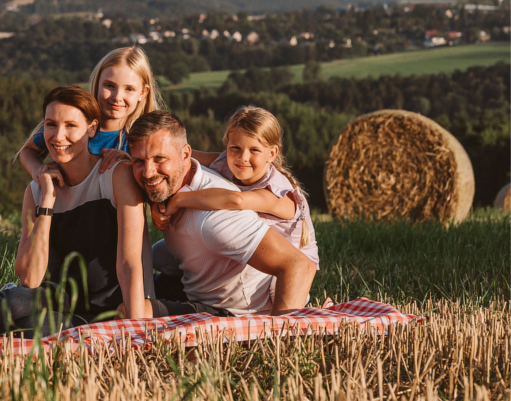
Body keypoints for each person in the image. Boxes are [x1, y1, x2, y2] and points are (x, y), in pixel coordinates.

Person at [0, 86, 154, 337]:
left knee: (32, 330)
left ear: (92, 128)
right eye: (51, 124)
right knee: (5, 307)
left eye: (71, 125)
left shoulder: (115, 177)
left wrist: (136, 330)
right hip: (54, 299)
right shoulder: (36, 192)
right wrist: (47, 200)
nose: (58, 136)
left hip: (105, 309)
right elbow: (30, 278)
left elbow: (129, 263)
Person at [128, 111, 316, 317]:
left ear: (272, 153)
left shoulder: (241, 208)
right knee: (123, 291)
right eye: (139, 161)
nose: (147, 172)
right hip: (201, 281)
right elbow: (183, 153)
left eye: (159, 159)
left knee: (133, 310)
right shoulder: (221, 164)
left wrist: (280, 337)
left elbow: (298, 265)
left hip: (237, 309)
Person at [154, 105, 319, 269]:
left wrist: (176, 201)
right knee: (158, 254)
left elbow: (237, 200)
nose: (243, 157)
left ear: (272, 153)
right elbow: (181, 155)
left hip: (285, 269)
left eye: (254, 150)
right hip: (250, 252)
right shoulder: (224, 162)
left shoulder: (278, 194)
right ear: (227, 144)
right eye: (236, 148)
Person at [16, 47, 163, 186]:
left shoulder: (141, 140)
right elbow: (28, 150)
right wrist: (37, 170)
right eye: (109, 86)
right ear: (97, 83)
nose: (117, 97)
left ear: (143, 93)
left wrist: (130, 163)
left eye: (129, 89)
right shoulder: (71, 120)